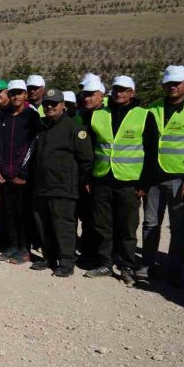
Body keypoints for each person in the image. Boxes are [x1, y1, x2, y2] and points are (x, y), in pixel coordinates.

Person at [140, 65, 184, 286]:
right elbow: (146, 145)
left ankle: (174, 270)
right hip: (153, 178)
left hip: (180, 179)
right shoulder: (153, 109)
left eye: (177, 83)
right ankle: (147, 265)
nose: (173, 87)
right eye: (169, 83)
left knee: (178, 228)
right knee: (150, 224)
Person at [85, 75, 153, 285]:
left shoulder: (144, 116)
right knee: (102, 224)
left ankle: (126, 265)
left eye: (124, 90)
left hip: (129, 180)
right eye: (116, 89)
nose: (119, 93)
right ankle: (105, 262)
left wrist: (144, 184)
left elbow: (151, 152)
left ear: (132, 92)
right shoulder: (98, 115)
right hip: (102, 178)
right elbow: (90, 149)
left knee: (127, 226)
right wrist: (88, 177)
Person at [29, 89, 93, 277]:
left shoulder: (75, 129)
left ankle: (66, 262)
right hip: (41, 187)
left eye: (54, 103)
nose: (49, 107)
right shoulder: (42, 128)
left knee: (63, 226)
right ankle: (49, 258)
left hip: (63, 188)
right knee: (44, 225)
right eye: (47, 103)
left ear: (63, 106)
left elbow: (86, 160)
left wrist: (73, 181)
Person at [0, 79, 40, 265]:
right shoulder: (2, 115)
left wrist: (23, 173)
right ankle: (12, 245)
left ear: (25, 94)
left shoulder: (31, 116)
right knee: (9, 211)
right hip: (4, 173)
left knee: (23, 213)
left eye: (19, 93)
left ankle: (24, 248)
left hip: (22, 176)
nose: (16, 96)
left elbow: (32, 145)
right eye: (12, 93)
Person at [74, 75, 106, 267]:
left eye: (91, 94)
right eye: (85, 94)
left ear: (101, 95)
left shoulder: (106, 115)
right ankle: (87, 252)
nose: (87, 98)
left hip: (100, 174)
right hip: (82, 174)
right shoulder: (81, 115)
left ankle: (99, 255)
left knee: (98, 219)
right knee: (85, 215)